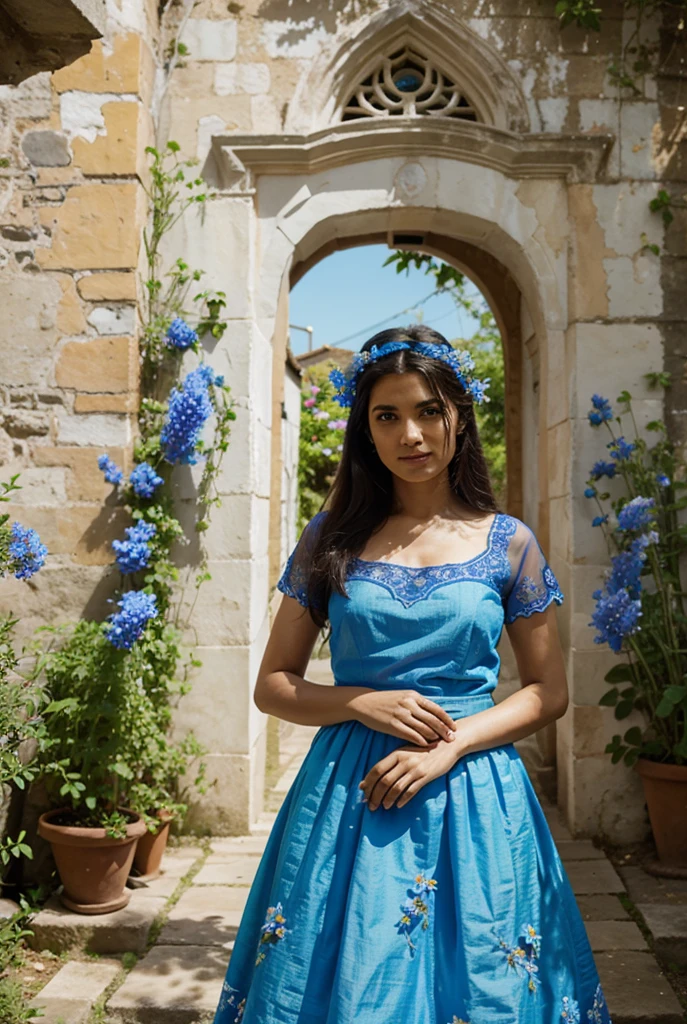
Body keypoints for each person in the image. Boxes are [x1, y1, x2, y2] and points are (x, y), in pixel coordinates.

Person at [212, 325, 611, 1024]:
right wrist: (361, 701)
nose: (412, 434)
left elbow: (549, 692)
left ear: (460, 413)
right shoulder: (329, 537)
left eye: (429, 410)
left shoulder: (508, 542)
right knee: (353, 980)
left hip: (476, 789)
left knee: (487, 987)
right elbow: (273, 684)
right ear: (365, 430)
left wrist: (453, 744)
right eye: (387, 416)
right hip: (352, 794)